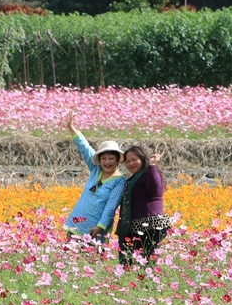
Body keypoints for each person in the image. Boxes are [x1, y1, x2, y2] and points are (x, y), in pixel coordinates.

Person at [63, 111, 125, 243]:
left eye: (111, 158)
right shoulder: (96, 169)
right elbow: (84, 147)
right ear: (99, 160)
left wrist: (100, 227)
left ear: (118, 160)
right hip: (76, 222)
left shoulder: (119, 181)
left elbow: (111, 207)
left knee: (91, 260)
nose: (107, 162)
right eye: (104, 158)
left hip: (95, 228)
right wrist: (71, 127)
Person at [116, 145, 171, 266]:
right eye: (128, 161)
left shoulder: (149, 173)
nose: (131, 163)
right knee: (134, 263)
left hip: (151, 227)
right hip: (136, 228)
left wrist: (152, 165)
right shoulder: (132, 179)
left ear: (143, 158)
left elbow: (155, 190)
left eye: (134, 159)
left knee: (148, 264)